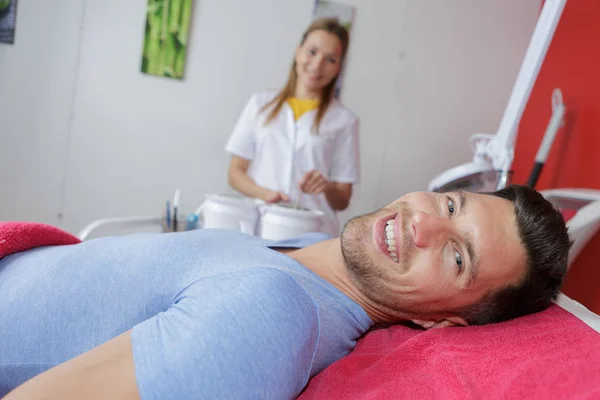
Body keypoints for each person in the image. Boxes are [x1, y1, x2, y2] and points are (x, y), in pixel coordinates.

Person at [0, 185, 571, 399]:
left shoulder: (270, 319)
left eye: (456, 256)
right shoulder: (302, 247)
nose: (424, 226)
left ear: (444, 322)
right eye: (451, 205)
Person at [225, 18, 360, 237]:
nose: (317, 65)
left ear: (338, 68)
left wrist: (325, 186)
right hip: (260, 227)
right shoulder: (260, 104)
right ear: (298, 52)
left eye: (330, 59)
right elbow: (234, 173)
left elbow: (343, 199)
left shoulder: (344, 120)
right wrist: (265, 194)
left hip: (312, 235)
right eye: (312, 52)